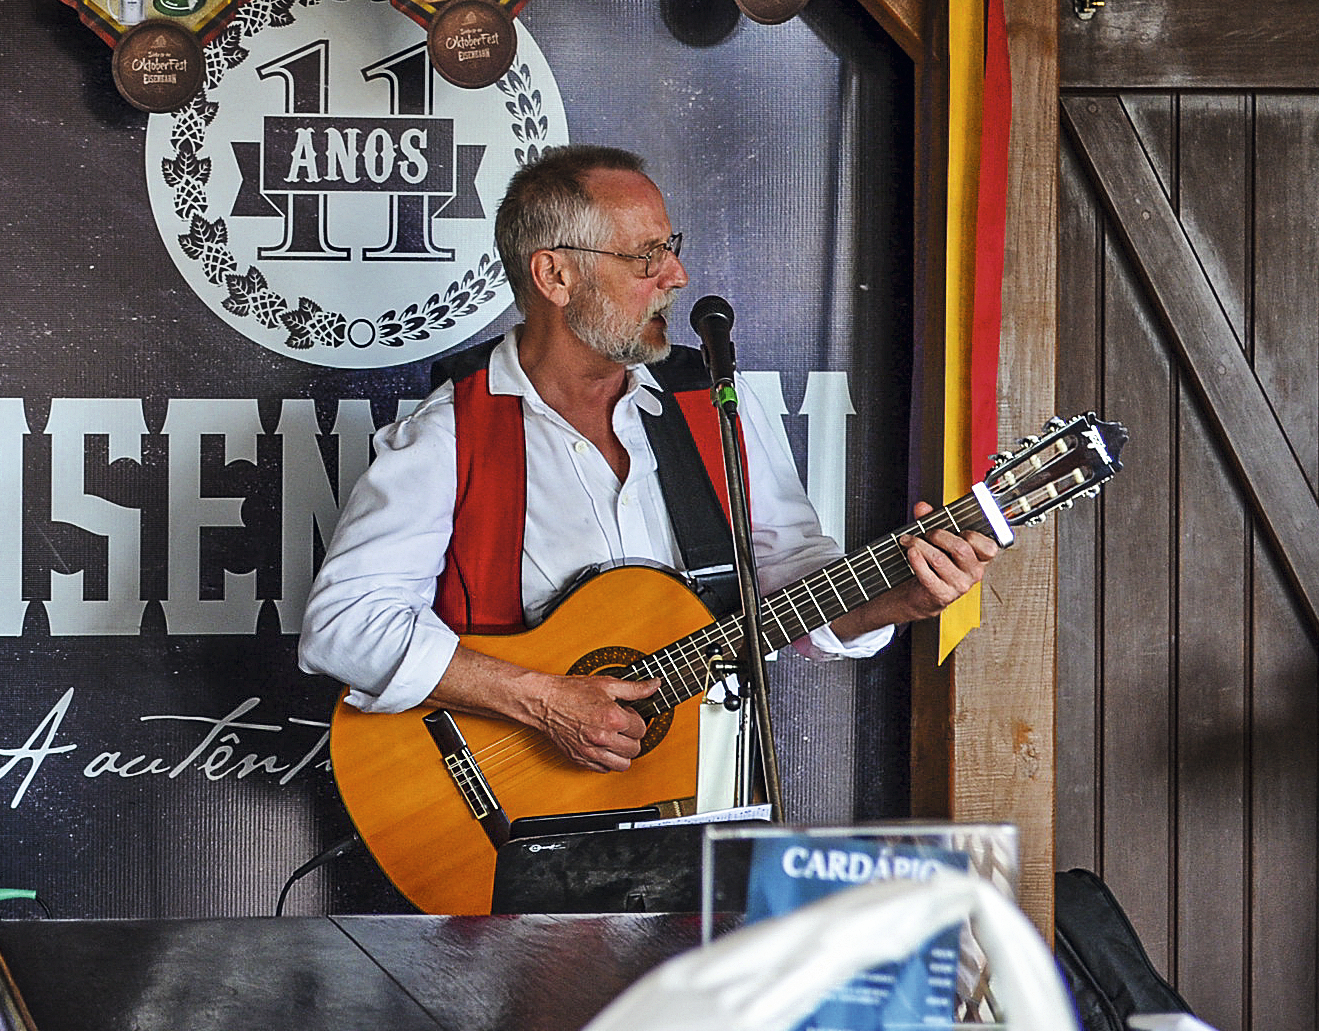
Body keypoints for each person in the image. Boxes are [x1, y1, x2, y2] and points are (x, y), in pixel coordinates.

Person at [299, 144, 997, 776]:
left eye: (672, 248)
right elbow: (343, 625)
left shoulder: (713, 402)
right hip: (512, 826)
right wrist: (543, 702)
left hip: (703, 794)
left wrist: (894, 602)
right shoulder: (450, 434)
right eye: (646, 256)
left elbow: (789, 590)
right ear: (555, 274)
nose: (677, 275)